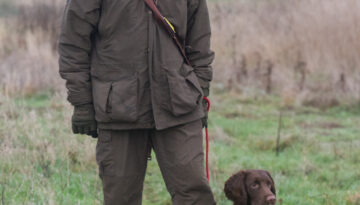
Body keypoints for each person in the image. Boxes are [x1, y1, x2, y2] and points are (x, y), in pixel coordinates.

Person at [58, 0, 215, 204]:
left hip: (179, 105)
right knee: (120, 198)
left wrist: (199, 93)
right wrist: (82, 104)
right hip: (118, 110)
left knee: (195, 195)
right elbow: (73, 45)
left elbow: (200, 44)